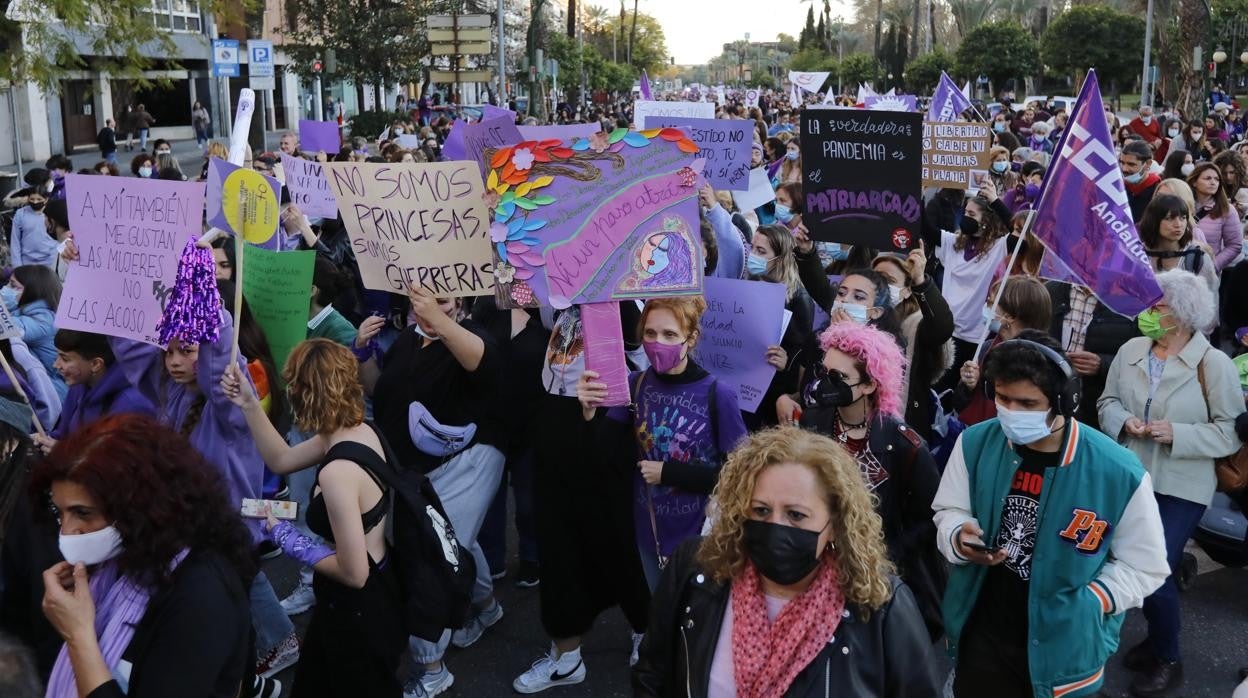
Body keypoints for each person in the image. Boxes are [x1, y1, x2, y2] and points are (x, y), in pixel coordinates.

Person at [933, 330, 1169, 698]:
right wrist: (956, 535)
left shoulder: (1119, 472)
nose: (1010, 412)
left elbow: (1146, 566)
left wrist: (1094, 601)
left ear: (1065, 400)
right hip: (984, 634)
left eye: (1027, 403)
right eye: (1003, 398)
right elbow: (949, 508)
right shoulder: (975, 443)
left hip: (1066, 647)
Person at [632, 426, 942, 697]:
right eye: (761, 511)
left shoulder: (881, 607)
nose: (776, 527)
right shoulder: (698, 567)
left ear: (835, 522)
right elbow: (652, 674)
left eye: (796, 515)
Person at [110, 301, 299, 690]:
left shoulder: (230, 405)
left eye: (187, 350)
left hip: (225, 539)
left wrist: (208, 301)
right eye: (168, 351)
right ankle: (248, 681)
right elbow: (131, 349)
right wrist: (97, 274)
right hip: (190, 540)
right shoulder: (170, 391)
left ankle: (252, 673)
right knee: (231, 620)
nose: (174, 361)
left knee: (228, 616)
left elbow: (219, 367)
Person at [222, 340, 407, 697]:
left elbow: (354, 573)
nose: (288, 392)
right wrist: (248, 402)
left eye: (293, 385)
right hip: (366, 596)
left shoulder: (337, 474)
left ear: (308, 394)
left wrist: (286, 538)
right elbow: (281, 460)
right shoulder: (358, 430)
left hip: (360, 609)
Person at [33, 414, 255, 698]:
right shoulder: (123, 557)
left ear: (140, 505)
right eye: (59, 512)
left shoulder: (201, 597)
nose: (67, 531)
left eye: (82, 513)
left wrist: (78, 637)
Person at [1097, 269, 1242, 696]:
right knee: (1128, 558)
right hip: (1130, 477)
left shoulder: (1213, 364)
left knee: (1154, 566)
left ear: (1180, 315)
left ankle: (1168, 658)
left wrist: (1176, 433)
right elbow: (1106, 402)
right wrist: (1124, 420)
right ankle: (1156, 641)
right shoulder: (1131, 349)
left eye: (1156, 306)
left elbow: (1231, 432)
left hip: (1182, 484)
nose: (1147, 312)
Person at [357, 284, 505, 697]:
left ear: (460, 304)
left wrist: (438, 318)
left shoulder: (472, 335)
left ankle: (432, 669)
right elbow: (378, 390)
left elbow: (485, 363)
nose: (428, 309)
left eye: (442, 301)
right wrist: (364, 352)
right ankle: (486, 608)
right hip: (414, 470)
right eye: (422, 300)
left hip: (468, 462)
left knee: (430, 555)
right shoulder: (409, 338)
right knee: (452, 541)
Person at [577, 296, 748, 590]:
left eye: (670, 335)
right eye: (650, 333)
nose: (658, 343)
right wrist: (589, 412)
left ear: (691, 338)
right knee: (662, 609)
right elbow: (601, 453)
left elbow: (742, 474)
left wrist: (668, 473)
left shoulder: (719, 395)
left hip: (703, 533)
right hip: (650, 530)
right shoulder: (635, 384)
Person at [798, 321, 945, 639]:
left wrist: (886, 552)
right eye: (823, 372)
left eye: (838, 378)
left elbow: (929, 519)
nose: (824, 383)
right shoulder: (812, 423)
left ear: (868, 385)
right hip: (814, 574)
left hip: (874, 581)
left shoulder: (904, 445)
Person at [872, 246, 954, 442]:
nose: (881, 286)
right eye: (876, 279)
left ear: (907, 290)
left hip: (901, 426)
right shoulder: (859, 314)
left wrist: (921, 281)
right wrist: (807, 254)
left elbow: (942, 327)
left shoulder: (916, 324)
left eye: (889, 281)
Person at [953, 276, 1053, 426]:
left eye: (992, 303)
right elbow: (959, 404)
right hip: (976, 433)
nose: (986, 306)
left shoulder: (1044, 362)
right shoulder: (988, 347)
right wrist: (968, 386)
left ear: (1009, 317)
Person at [35, 329, 154, 452]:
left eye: (65, 359)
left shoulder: (133, 404)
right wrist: (44, 441)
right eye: (57, 356)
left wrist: (64, 453)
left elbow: (122, 462)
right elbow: (62, 434)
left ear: (96, 364)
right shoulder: (78, 385)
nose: (56, 365)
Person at [746, 225, 816, 429]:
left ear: (780, 258)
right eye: (753, 248)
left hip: (775, 392)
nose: (753, 255)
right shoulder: (750, 282)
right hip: (747, 384)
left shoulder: (798, 298)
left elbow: (802, 352)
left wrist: (787, 364)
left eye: (761, 251)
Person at [1045, 282, 1140, 432]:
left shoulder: (1130, 302)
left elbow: (1138, 358)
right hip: (1049, 397)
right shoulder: (1051, 290)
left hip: (1095, 406)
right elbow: (1035, 338)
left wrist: (1102, 364)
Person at [5, 265, 67, 400]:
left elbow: (10, 330)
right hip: (36, 385)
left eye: (13, 285)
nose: (6, 289)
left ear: (32, 291)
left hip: (51, 393)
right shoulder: (23, 311)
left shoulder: (45, 320)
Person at [1139, 195, 1219, 297]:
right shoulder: (1137, 255)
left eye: (1183, 218)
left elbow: (1211, 302)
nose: (1178, 224)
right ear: (1153, 220)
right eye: (1169, 218)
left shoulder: (1197, 257)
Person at [1187, 162, 1244, 271]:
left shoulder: (1227, 209)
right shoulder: (1182, 205)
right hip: (1180, 269)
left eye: (1217, 179)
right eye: (1207, 178)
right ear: (1194, 182)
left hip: (1208, 273)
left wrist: (1212, 267)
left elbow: (1234, 245)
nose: (1213, 182)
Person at [1121, 140, 1161, 222]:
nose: (1124, 169)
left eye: (1131, 164)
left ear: (1148, 164)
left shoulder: (1159, 190)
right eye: (1122, 163)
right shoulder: (1119, 187)